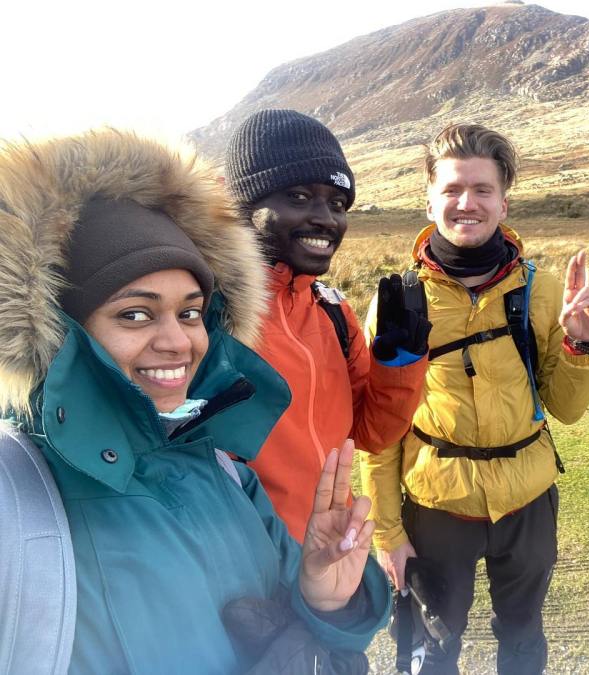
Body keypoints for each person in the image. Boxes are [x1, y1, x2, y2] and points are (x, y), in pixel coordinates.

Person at [0, 129, 390, 674]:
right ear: (58, 330)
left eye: (190, 312)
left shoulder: (225, 472)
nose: (178, 341)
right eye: (134, 314)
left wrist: (321, 597)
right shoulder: (14, 497)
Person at [360, 122, 589, 674]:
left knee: (522, 637)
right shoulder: (400, 302)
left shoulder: (541, 291)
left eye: (482, 190)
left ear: (503, 201)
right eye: (451, 190)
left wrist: (581, 343)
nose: (466, 203)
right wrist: (388, 534)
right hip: (437, 505)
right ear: (429, 200)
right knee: (429, 647)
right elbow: (380, 431)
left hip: (528, 502)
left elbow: (565, 408)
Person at [225, 110, 430, 541]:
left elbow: (373, 434)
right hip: (241, 563)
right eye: (299, 197)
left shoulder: (332, 313)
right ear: (244, 206)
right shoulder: (205, 317)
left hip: (328, 548)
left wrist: (399, 365)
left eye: (338, 204)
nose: (326, 219)